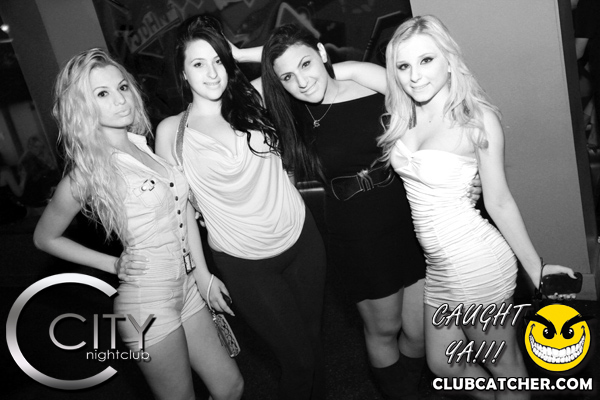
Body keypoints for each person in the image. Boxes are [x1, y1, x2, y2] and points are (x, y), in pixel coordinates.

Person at [231, 25, 481, 400]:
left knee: (419, 332)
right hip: (358, 235)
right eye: (288, 77)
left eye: (306, 64)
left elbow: (434, 113)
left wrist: (468, 177)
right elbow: (238, 98)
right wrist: (248, 59)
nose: (302, 81)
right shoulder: (292, 112)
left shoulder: (366, 81)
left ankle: (409, 382)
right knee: (384, 329)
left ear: (322, 52)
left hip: (411, 218)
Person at [339, 15, 577, 399]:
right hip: (438, 267)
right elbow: (348, 70)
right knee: (443, 365)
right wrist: (272, 66)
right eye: (403, 65)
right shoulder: (405, 105)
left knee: (506, 367)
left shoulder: (477, 119)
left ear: (449, 60)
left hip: (475, 263)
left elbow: (499, 201)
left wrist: (537, 268)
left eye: (426, 60)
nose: (415, 75)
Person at [33, 48, 243, 400]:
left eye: (122, 87)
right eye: (102, 94)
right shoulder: (88, 172)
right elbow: (45, 237)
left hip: (187, 288)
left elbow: (182, 211)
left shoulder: (143, 147)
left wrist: (202, 275)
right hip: (147, 301)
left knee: (230, 386)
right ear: (82, 107)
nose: (120, 100)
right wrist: (112, 264)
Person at [149, 15, 327, 400]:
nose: (212, 73)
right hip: (246, 263)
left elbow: (294, 55)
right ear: (182, 73)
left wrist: (239, 54)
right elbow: (179, 212)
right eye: (199, 64)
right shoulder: (171, 132)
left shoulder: (256, 98)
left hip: (303, 241)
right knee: (297, 361)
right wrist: (200, 275)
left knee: (313, 348)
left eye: (218, 60)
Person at [18, 136, 61, 207]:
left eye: (40, 147)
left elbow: (54, 171)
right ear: (30, 147)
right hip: (35, 195)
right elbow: (34, 177)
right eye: (35, 147)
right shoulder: (27, 161)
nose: (38, 149)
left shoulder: (45, 156)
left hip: (46, 193)